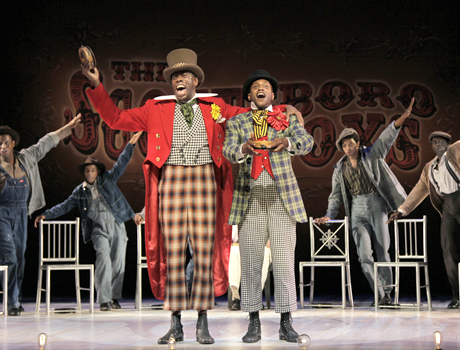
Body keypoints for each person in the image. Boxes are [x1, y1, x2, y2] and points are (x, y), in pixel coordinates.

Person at [81, 48, 301, 344]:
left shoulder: (216, 106)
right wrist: (96, 86)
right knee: (172, 253)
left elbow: (254, 112)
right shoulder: (154, 108)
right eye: (174, 76)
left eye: (184, 74)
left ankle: (202, 321)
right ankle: (175, 323)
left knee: (203, 254)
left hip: (205, 180)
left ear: (195, 80)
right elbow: (116, 117)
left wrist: (284, 109)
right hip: (170, 180)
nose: (178, 79)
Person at [222, 70, 314, 343]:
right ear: (249, 95)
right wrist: (243, 149)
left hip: (281, 196)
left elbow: (307, 142)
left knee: (284, 262)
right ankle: (253, 323)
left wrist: (286, 141)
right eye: (255, 87)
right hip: (249, 198)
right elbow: (227, 149)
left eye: (265, 86)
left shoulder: (286, 120)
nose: (260, 89)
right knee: (251, 263)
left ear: (273, 95)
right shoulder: (238, 122)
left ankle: (287, 322)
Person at [0, 115, 82, 316]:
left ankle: (15, 299)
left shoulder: (27, 158)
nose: (2, 146)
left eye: (5, 142)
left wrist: (67, 128)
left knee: (19, 258)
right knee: (9, 256)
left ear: (13, 143)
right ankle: (11, 303)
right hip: (0, 216)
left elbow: (45, 143)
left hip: (22, 213)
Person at [314, 98, 415, 307]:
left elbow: (386, 139)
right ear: (341, 148)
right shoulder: (339, 168)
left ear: (358, 144)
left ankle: (387, 293)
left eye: (351, 143)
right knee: (363, 254)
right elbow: (336, 196)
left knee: (382, 250)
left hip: (377, 204)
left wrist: (400, 120)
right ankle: (378, 294)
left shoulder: (372, 155)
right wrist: (329, 215)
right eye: (344, 145)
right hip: (357, 209)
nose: (348, 147)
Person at [34, 131, 142, 311]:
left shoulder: (107, 179)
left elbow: (121, 163)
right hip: (98, 228)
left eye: (93, 170)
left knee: (118, 262)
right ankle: (104, 300)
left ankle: (114, 297)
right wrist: (46, 214)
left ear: (98, 171)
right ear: (84, 173)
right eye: (87, 170)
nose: (90, 173)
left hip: (116, 224)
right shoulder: (80, 191)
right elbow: (64, 205)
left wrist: (130, 145)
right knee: (103, 260)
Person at [388, 130, 460, 309]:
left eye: (441, 141)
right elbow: (419, 189)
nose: (437, 145)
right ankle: (458, 296)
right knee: (448, 250)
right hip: (447, 206)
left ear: (448, 143)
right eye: (434, 142)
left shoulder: (457, 150)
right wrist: (402, 210)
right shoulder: (430, 168)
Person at [228, 225, 271, 311]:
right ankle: (235, 297)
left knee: (264, 253)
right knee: (233, 251)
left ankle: (256, 297)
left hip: (261, 245)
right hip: (240, 245)